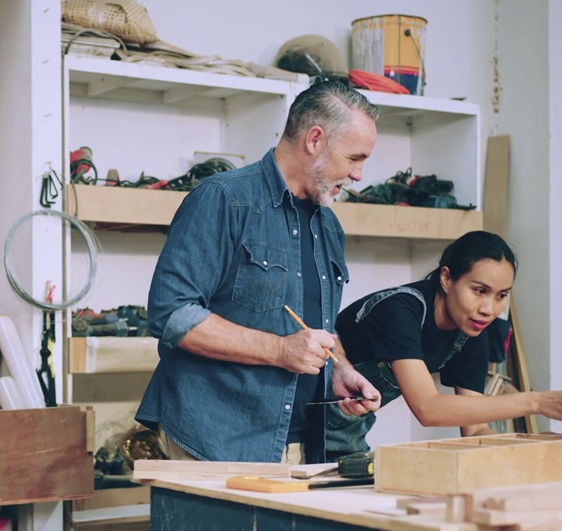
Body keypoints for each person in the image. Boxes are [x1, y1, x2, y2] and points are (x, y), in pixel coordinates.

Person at [136, 80, 384, 464]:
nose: (358, 176)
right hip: (217, 441)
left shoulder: (329, 226)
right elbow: (173, 314)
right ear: (315, 139)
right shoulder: (224, 198)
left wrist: (340, 370)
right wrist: (280, 350)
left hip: (301, 444)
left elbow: (316, 326)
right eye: (354, 158)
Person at [325, 230, 562, 458]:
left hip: (346, 436)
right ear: (447, 278)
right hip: (296, 429)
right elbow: (428, 408)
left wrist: (538, 446)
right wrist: (536, 401)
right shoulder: (400, 310)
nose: (489, 308)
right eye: (479, 291)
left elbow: (476, 431)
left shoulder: (470, 330)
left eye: (501, 296)